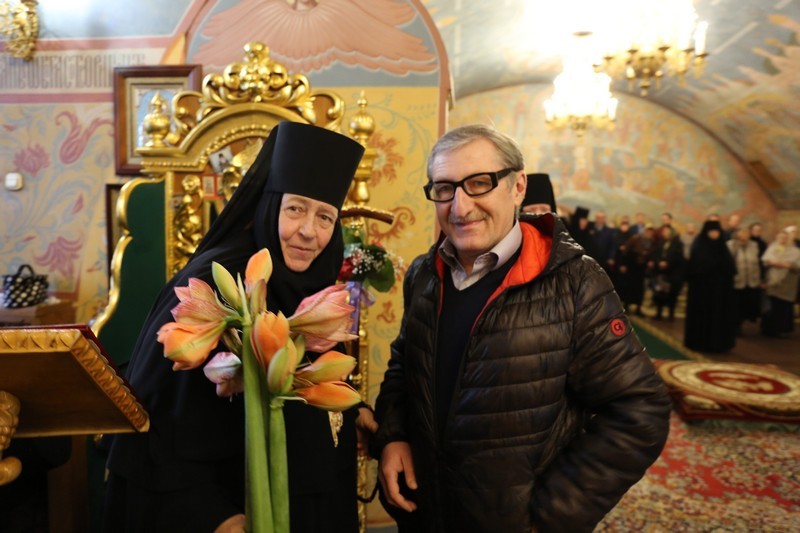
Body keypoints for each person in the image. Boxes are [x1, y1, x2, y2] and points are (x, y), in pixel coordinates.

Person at [373, 124, 671, 532]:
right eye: (444, 188)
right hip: (425, 512)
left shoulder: (576, 282)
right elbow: (404, 366)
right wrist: (393, 436)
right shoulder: (424, 273)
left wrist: (549, 517)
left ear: (518, 187)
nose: (460, 207)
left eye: (479, 183)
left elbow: (640, 408)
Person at [103, 122, 376, 533]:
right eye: (296, 209)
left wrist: (353, 410)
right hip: (229, 510)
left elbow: (304, 371)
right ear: (269, 207)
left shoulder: (311, 280)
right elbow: (155, 418)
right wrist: (215, 515)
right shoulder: (220, 282)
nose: (309, 232)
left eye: (325, 216)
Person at [684, 220, 737, 352]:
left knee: (718, 316)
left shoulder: (723, 248)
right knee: (702, 317)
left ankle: (718, 344)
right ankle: (699, 342)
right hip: (702, 291)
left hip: (720, 291)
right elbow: (695, 267)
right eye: (712, 231)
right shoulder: (699, 246)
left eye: (717, 232)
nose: (714, 234)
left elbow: (730, 268)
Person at [760, 228, 800, 337]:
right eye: (781, 237)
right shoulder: (772, 248)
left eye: (785, 238)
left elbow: (797, 266)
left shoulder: (795, 251)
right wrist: (775, 263)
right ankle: (769, 329)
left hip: (787, 283)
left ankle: (782, 329)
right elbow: (765, 261)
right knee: (772, 306)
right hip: (772, 281)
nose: (783, 239)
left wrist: (789, 265)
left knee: (784, 307)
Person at [727, 227, 762, 334]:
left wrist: (759, 279)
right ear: (737, 234)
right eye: (742, 232)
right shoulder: (730, 245)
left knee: (746, 304)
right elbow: (727, 261)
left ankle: (741, 323)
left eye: (746, 233)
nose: (744, 235)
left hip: (751, 280)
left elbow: (758, 262)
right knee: (735, 305)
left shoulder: (754, 245)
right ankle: (734, 326)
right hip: (736, 280)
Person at [650, 225, 685, 321]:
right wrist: (659, 262)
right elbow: (656, 254)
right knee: (659, 293)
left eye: (666, 231)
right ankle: (659, 313)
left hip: (672, 273)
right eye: (664, 231)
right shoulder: (661, 242)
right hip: (661, 272)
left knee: (672, 295)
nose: (664, 233)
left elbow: (678, 257)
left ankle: (671, 314)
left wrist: (668, 263)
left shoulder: (678, 244)